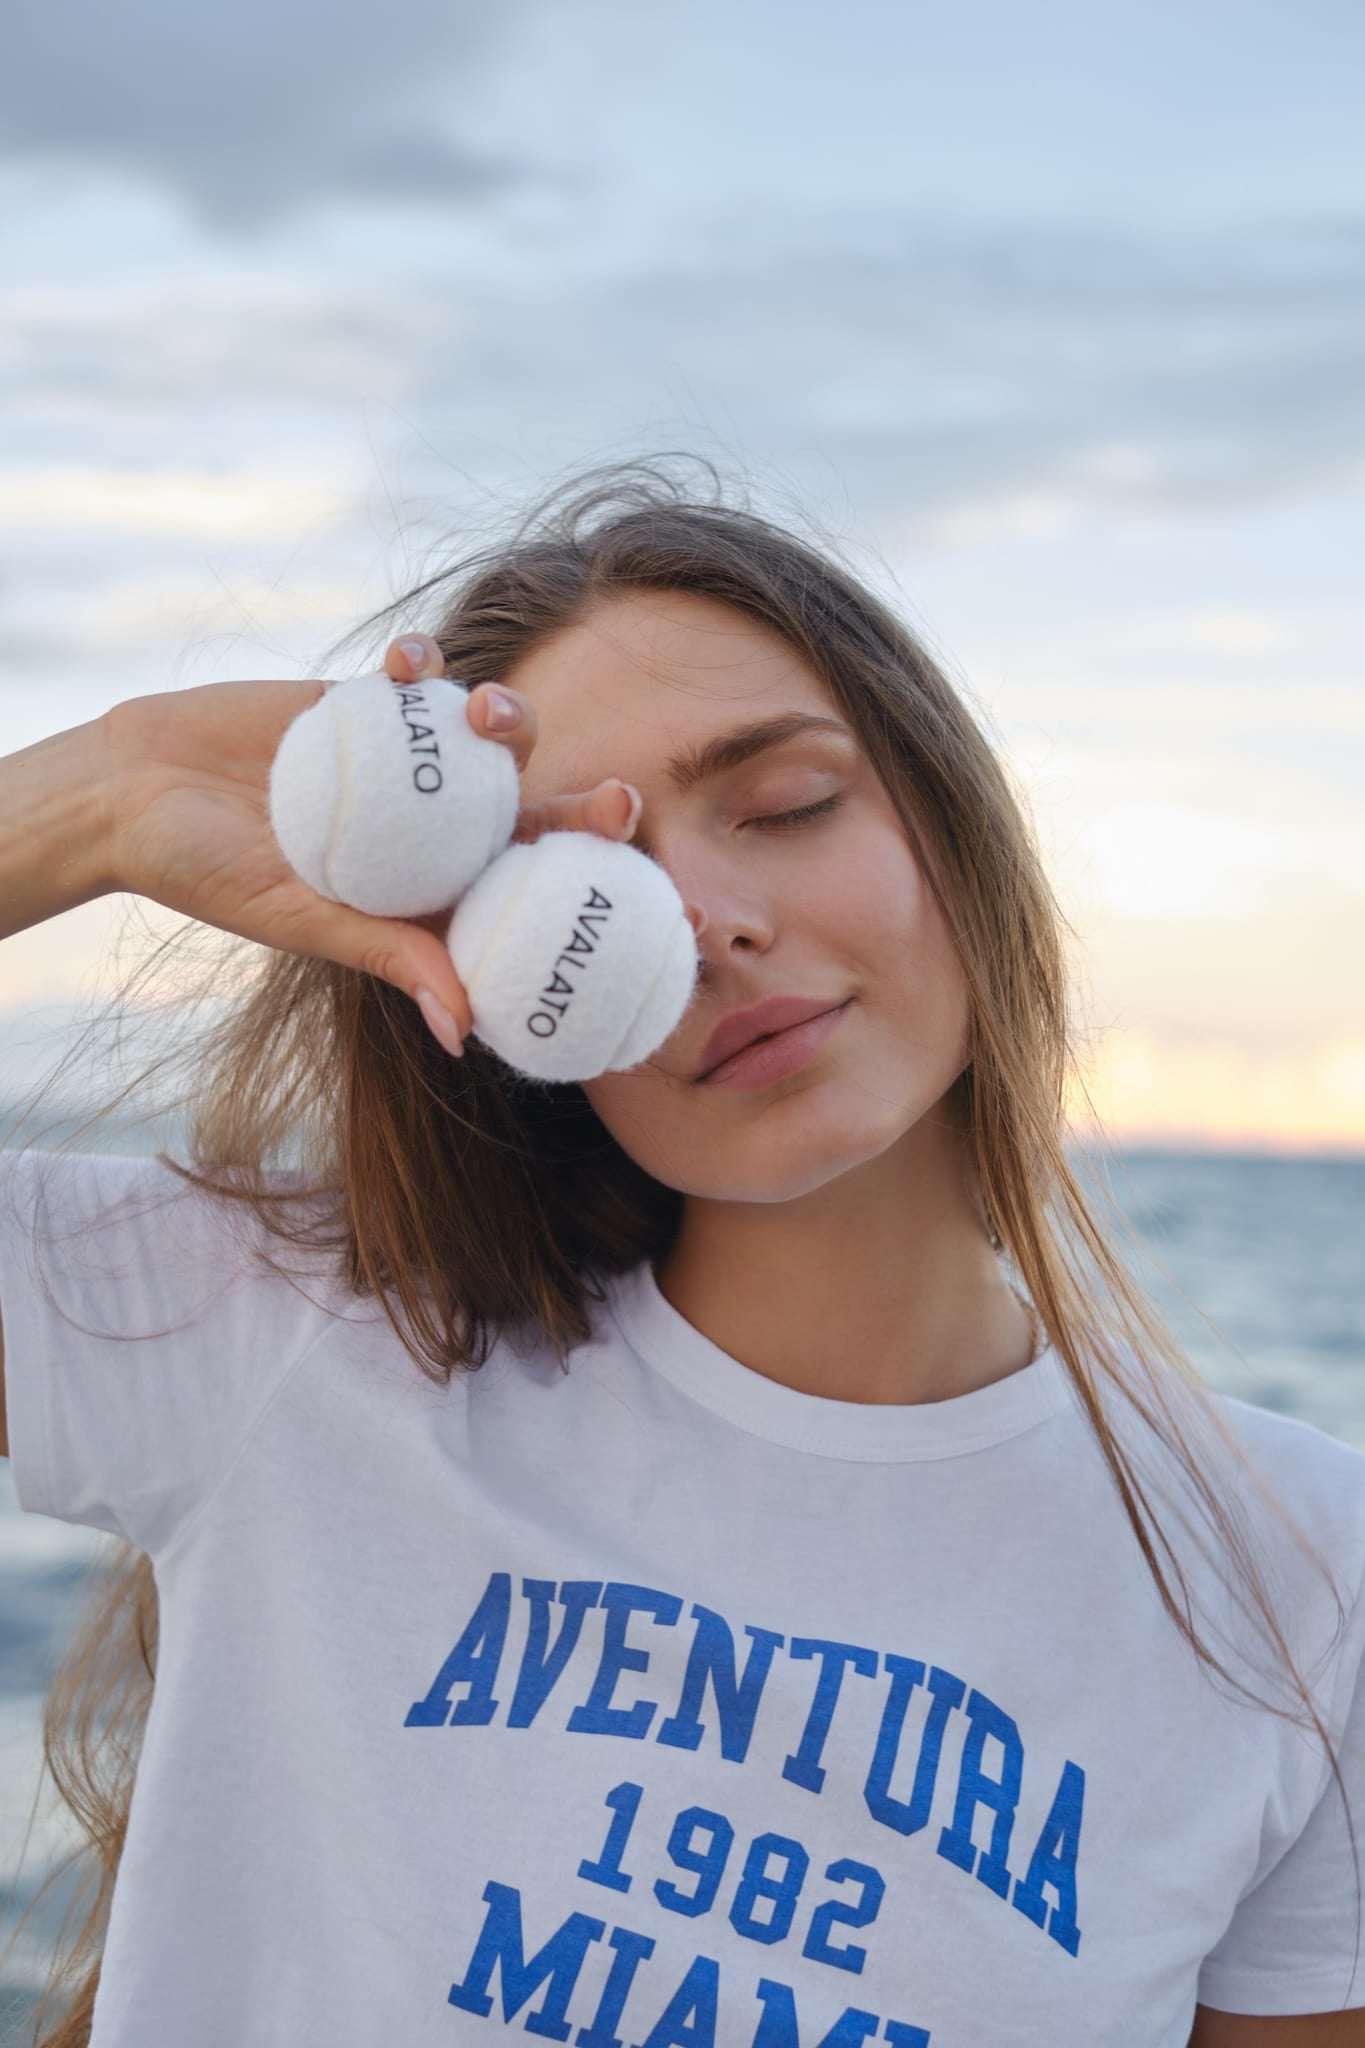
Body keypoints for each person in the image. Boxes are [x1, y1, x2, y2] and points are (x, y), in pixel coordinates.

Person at [0, 457, 1361, 2048]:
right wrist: (83, 802)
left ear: (948, 824)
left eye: (785, 804)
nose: (706, 915)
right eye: (578, 884)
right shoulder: (280, 1332)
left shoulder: (1295, 1572)